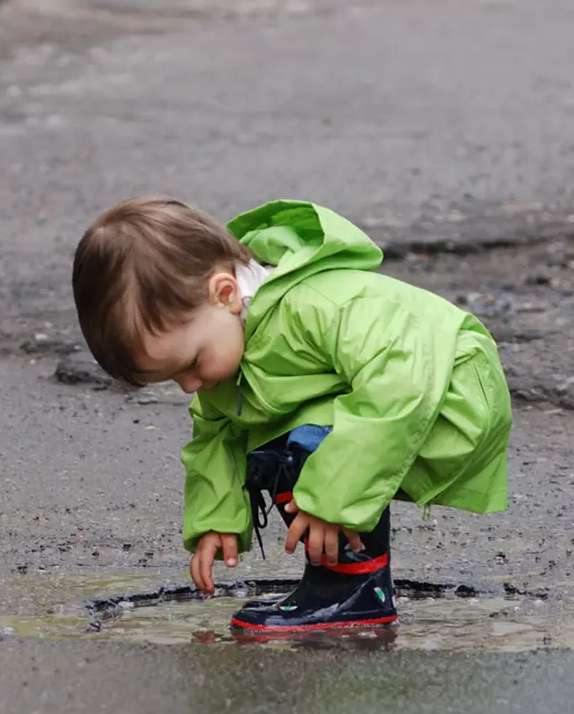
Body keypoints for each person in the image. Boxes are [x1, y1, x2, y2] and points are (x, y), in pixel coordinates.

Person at [72, 197, 512, 634]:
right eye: (172, 378)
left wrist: (331, 498)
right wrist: (216, 521)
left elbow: (400, 385)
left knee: (290, 446)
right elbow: (216, 434)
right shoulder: (232, 335)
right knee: (267, 436)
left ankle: (352, 591)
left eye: (189, 364)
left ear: (225, 294)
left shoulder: (313, 306)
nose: (189, 386)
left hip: (453, 395)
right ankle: (346, 583)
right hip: (404, 400)